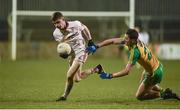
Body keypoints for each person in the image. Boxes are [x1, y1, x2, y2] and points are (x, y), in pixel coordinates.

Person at [86, 29, 180, 100]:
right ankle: (164, 91)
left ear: (133, 40)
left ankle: (163, 94)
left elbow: (127, 71)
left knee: (139, 96)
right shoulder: (133, 42)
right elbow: (112, 41)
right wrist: (97, 46)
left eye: (127, 39)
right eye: (125, 38)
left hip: (155, 73)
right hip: (154, 67)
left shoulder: (135, 52)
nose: (124, 40)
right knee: (144, 85)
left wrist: (110, 75)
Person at [51, 12, 99, 101]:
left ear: (63, 19)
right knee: (77, 78)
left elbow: (84, 29)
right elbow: (63, 46)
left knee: (69, 75)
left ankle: (64, 96)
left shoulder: (76, 24)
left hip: (82, 51)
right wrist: (64, 54)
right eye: (54, 24)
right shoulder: (56, 33)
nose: (57, 25)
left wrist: (90, 40)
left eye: (58, 22)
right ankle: (96, 69)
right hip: (72, 54)